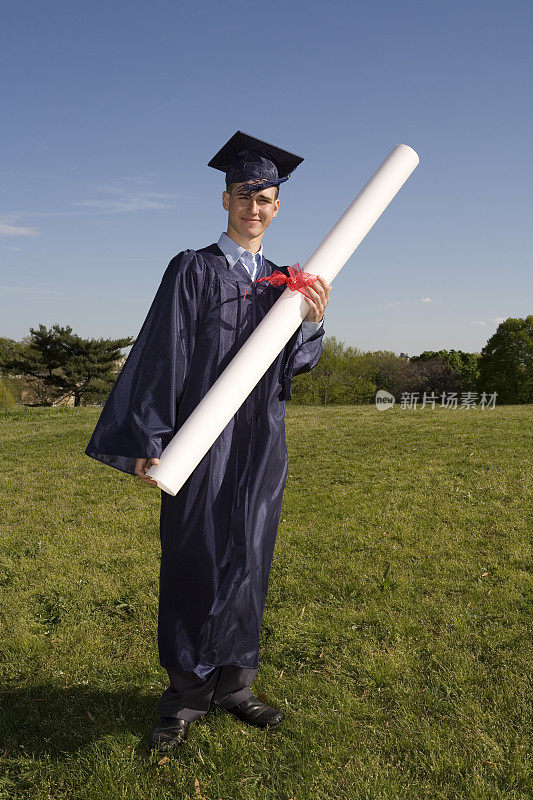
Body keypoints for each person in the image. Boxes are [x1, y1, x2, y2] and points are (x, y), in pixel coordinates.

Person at [85, 130, 332, 755]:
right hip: (201, 441)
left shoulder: (287, 280)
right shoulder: (193, 269)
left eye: (267, 197)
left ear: (278, 207)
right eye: (246, 194)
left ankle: (234, 684)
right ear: (225, 199)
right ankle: (185, 695)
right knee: (195, 555)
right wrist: (149, 436)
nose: (256, 206)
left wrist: (312, 324)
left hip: (261, 440)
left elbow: (295, 365)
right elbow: (162, 353)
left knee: (250, 555)